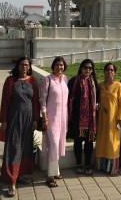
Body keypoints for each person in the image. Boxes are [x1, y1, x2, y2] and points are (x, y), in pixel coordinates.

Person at [0, 56, 40, 197]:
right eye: (22, 65)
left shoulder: (32, 81)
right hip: (14, 120)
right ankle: (12, 182)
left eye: (27, 65)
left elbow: (35, 101)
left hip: (28, 121)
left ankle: (20, 175)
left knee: (25, 148)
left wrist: (36, 119)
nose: (25, 67)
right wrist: (4, 121)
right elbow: (4, 102)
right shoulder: (10, 81)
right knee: (14, 149)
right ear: (17, 66)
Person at [95, 62, 121, 176]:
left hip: (114, 119)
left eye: (112, 70)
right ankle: (101, 166)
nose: (109, 72)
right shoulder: (100, 86)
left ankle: (112, 168)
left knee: (112, 142)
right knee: (102, 140)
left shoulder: (118, 85)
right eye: (107, 70)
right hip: (102, 119)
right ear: (104, 72)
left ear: (114, 72)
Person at [39, 56, 69, 188]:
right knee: (53, 145)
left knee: (57, 144)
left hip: (62, 119)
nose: (59, 67)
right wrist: (44, 118)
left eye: (61, 65)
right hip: (51, 119)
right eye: (57, 65)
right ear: (53, 66)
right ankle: (50, 176)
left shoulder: (65, 79)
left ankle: (55, 171)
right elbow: (42, 101)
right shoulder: (48, 80)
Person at [67, 58, 99, 176]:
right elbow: (69, 98)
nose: (88, 70)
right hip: (77, 118)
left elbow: (98, 99)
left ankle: (87, 165)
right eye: (86, 67)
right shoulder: (74, 81)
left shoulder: (93, 82)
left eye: (90, 68)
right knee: (78, 141)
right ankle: (79, 164)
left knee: (89, 142)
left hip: (90, 119)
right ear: (81, 68)